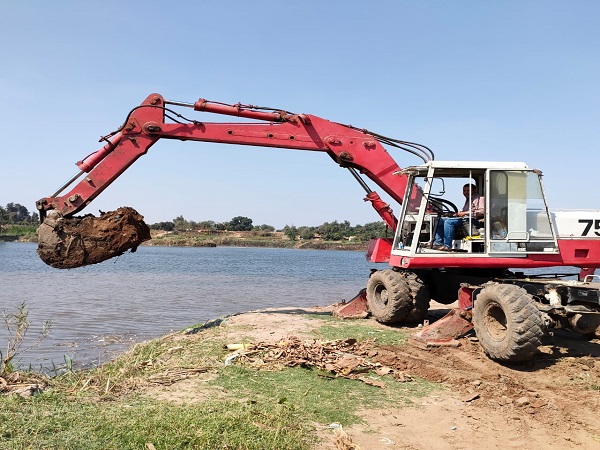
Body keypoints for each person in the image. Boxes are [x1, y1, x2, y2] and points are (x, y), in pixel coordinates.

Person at [430, 184, 484, 251]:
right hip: (465, 218)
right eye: (464, 191)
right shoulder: (468, 199)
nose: (466, 192)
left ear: (474, 190)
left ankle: (447, 246)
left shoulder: (480, 198)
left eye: (468, 190)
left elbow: (482, 211)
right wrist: (456, 214)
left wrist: (465, 213)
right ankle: (438, 243)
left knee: (448, 222)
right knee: (439, 220)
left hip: (474, 220)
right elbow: (465, 211)